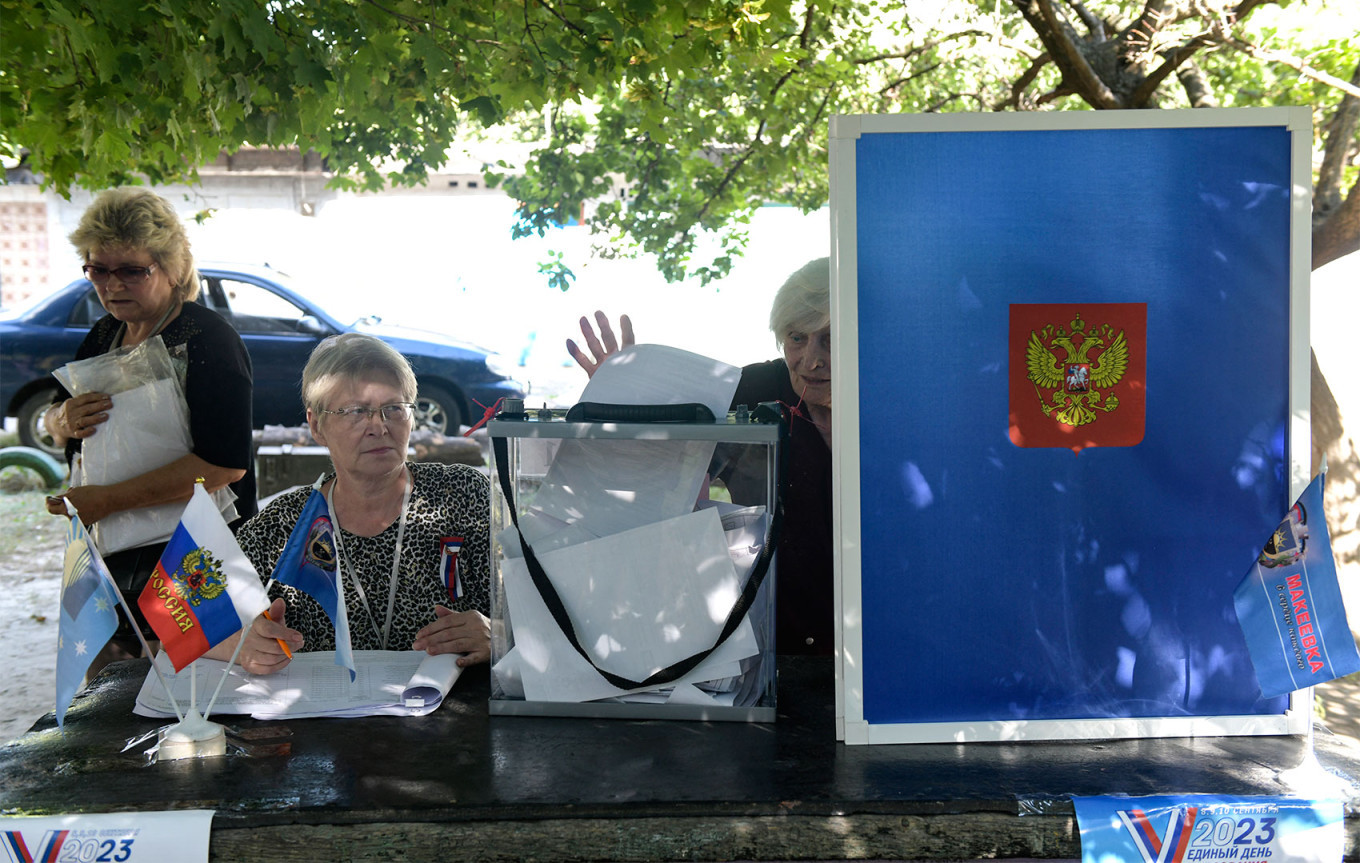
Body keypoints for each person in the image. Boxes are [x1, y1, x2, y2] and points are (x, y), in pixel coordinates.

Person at [566, 257, 833, 654]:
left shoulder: (902, 412)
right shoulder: (756, 389)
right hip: (765, 644)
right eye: (797, 338)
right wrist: (624, 397)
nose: (810, 360)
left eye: (829, 338)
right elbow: (660, 477)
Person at [45, 188, 257, 672]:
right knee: (104, 694)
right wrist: (62, 419)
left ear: (171, 267)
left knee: (199, 694)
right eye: (98, 269)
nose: (111, 285)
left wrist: (107, 500)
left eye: (131, 270)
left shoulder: (208, 340)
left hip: (191, 552)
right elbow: (57, 419)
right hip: (111, 550)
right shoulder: (104, 334)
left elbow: (225, 465)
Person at [222, 333, 492, 675]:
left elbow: (545, 616)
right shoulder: (284, 525)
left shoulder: (465, 496)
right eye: (355, 412)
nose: (378, 427)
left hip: (449, 718)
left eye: (394, 408)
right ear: (317, 425)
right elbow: (186, 622)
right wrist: (240, 645)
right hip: (320, 723)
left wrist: (498, 633)